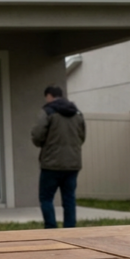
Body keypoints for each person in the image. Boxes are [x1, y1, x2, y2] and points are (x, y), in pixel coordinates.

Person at [31, 85, 86, 228]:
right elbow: (82, 136)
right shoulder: (77, 113)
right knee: (69, 199)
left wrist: (43, 144)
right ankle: (70, 229)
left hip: (51, 164)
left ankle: (51, 229)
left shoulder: (47, 112)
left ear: (49, 96)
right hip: (72, 164)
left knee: (46, 198)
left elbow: (37, 135)